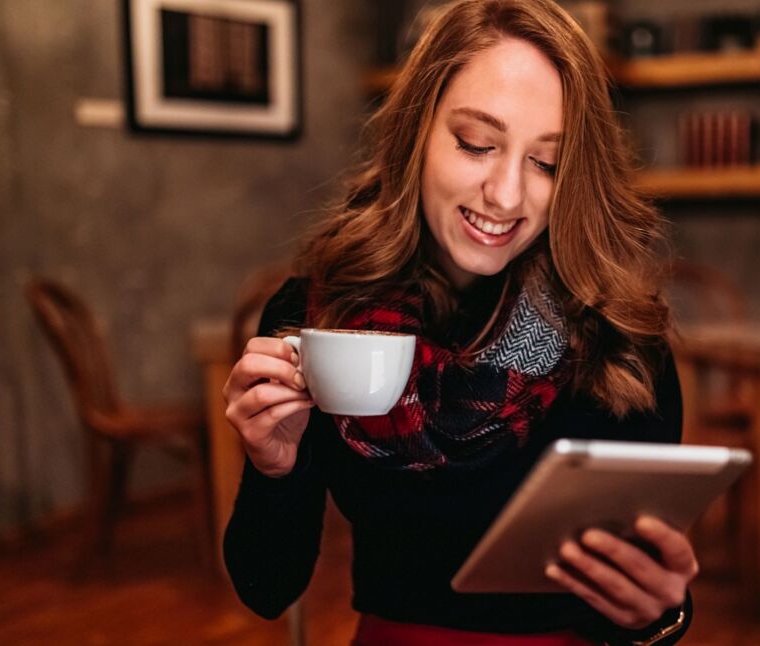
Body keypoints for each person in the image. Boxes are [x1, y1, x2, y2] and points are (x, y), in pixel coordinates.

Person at [222, 1, 698, 643]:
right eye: (477, 144)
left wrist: (660, 616)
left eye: (546, 162)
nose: (505, 195)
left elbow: (644, 620)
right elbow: (266, 589)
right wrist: (272, 469)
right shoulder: (320, 318)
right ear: (418, 130)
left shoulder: (616, 343)